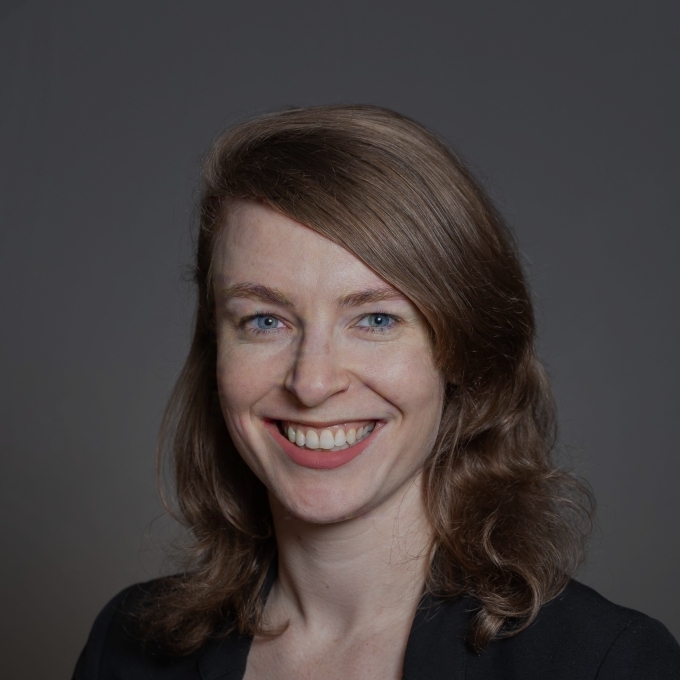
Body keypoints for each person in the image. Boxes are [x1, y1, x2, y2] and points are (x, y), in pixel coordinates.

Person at [72, 105, 680, 680]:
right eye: (264, 320)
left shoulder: (607, 664)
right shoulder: (126, 650)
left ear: (461, 350)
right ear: (214, 350)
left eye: (376, 320)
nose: (312, 383)